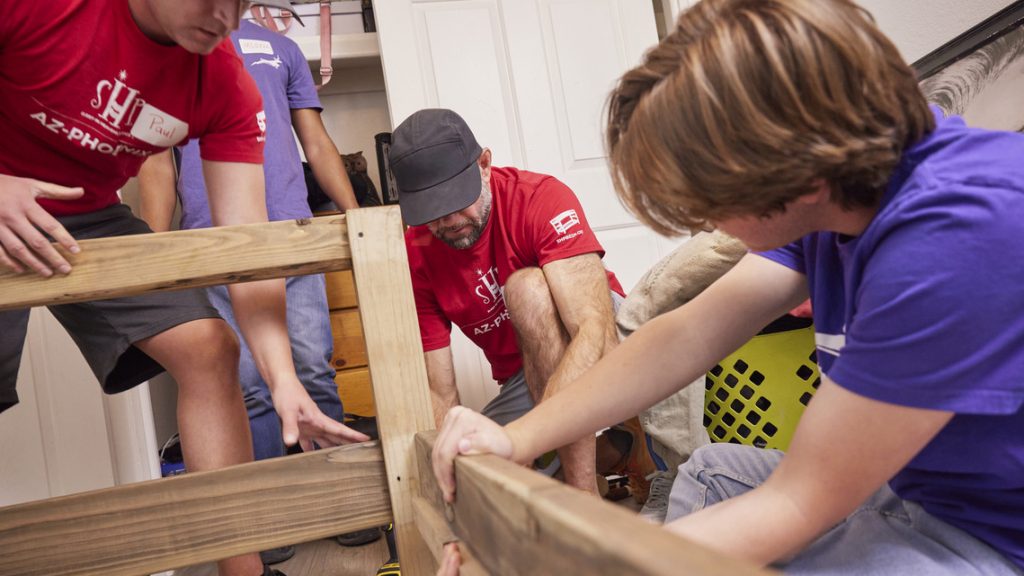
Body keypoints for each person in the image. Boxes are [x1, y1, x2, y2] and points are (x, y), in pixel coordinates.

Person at [430, 0, 1024, 574]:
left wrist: (569, 565)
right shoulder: (843, 196)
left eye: (712, 203)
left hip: (996, 537)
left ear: (796, 175)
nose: (709, 223)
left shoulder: (957, 236)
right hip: (919, 490)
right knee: (711, 472)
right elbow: (686, 335)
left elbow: (799, 501)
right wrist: (514, 437)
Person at [0, 2, 367, 575]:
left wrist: (282, 376)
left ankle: (243, 571)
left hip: (85, 212)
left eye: (240, 1)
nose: (224, 15)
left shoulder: (224, 84)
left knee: (209, 347)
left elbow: (247, 249)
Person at [136, 15, 379, 565]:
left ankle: (342, 504)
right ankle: (271, 519)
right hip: (215, 243)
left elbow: (314, 142)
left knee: (313, 369)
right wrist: (150, 247)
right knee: (247, 385)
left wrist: (359, 218)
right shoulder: (174, 47)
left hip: (294, 238)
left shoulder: (281, 49)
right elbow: (156, 157)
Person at [391, 108, 631, 496]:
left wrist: (530, 439)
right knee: (472, 467)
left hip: (603, 339)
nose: (447, 221)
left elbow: (593, 329)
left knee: (526, 289)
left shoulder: (539, 198)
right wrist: (448, 478)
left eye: (456, 201)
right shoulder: (417, 251)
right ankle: (614, 455)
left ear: (484, 164)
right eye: (431, 212)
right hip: (526, 375)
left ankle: (585, 501)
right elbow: (440, 391)